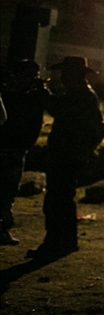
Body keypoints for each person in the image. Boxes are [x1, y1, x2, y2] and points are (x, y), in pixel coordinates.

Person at [27, 56, 104, 260]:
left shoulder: (81, 96)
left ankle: (53, 243)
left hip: (67, 156)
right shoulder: (82, 94)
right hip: (70, 155)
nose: (62, 77)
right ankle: (67, 242)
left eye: (65, 73)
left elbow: (58, 110)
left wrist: (43, 93)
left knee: (56, 201)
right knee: (63, 200)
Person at [0, 60, 50, 245]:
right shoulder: (8, 95)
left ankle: (3, 229)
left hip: (16, 150)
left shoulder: (32, 98)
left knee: (8, 192)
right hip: (9, 149)